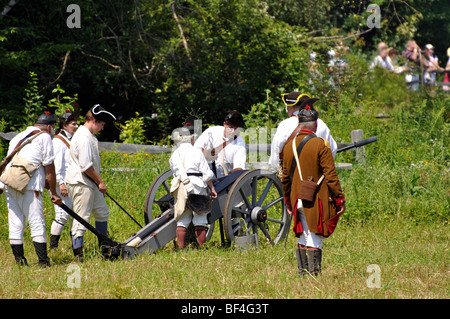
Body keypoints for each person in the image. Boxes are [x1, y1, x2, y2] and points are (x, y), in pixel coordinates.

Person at [281, 106, 345, 276]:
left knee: (304, 234)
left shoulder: (288, 147)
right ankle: (313, 275)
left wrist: (287, 200)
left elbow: (285, 179)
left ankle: (304, 274)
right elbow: (331, 176)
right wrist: (339, 199)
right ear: (315, 125)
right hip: (316, 197)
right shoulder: (321, 144)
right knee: (315, 234)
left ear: (300, 125)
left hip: (297, 197)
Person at [0, 112, 62, 267]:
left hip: (9, 183)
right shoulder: (45, 136)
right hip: (29, 186)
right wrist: (53, 193)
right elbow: (50, 167)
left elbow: (9, 163)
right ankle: (43, 262)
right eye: (53, 127)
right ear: (49, 126)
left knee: (15, 223)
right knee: (37, 222)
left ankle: (20, 262)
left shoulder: (17, 137)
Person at [65, 104, 116, 261]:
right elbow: (86, 166)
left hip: (90, 184)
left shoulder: (89, 136)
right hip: (82, 183)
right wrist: (100, 182)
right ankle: (78, 256)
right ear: (94, 120)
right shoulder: (83, 137)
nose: (101, 128)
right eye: (101, 124)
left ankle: (105, 249)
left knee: (102, 212)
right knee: (81, 219)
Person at [170, 117, 217, 249]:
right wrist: (212, 188)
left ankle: (181, 248)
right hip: (197, 186)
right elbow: (206, 174)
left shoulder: (175, 154)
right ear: (191, 138)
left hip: (181, 187)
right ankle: (203, 248)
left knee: (182, 221)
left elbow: (174, 173)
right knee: (200, 219)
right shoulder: (196, 151)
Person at [268, 92, 337, 173]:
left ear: (292, 107)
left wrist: (274, 169)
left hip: (292, 174)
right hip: (316, 173)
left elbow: (276, 149)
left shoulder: (285, 125)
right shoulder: (322, 124)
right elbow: (332, 149)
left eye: (287, 108)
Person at [49, 111, 79, 249]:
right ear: (64, 125)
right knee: (62, 215)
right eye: (73, 124)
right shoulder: (58, 141)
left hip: (71, 182)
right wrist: (60, 183)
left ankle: (74, 245)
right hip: (61, 183)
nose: (76, 126)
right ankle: (53, 247)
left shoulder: (71, 139)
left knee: (73, 213)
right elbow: (57, 164)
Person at [194, 110, 246, 178]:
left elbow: (238, 169)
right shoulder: (212, 132)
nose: (233, 131)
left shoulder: (240, 145)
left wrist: (227, 178)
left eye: (236, 129)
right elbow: (195, 149)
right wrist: (205, 153)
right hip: (206, 177)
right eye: (231, 128)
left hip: (227, 180)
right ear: (224, 124)